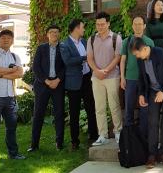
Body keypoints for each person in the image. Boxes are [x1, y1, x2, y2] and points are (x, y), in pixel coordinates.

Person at [131, 37, 163, 169]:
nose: (136, 56)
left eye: (137, 53)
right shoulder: (140, 60)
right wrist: (141, 94)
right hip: (153, 91)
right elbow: (141, 78)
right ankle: (152, 155)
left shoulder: (161, 53)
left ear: (144, 49)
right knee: (152, 122)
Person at [60, 19, 98, 149]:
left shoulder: (83, 41)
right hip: (74, 83)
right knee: (74, 112)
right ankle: (74, 141)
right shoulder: (64, 44)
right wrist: (85, 58)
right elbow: (68, 61)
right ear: (76, 28)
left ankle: (94, 135)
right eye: (82, 27)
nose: (84, 29)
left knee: (91, 108)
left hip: (87, 79)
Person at [87, 12, 123, 146]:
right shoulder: (91, 39)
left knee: (114, 106)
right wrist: (97, 71)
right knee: (99, 107)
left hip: (112, 76)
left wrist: (106, 70)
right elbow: (89, 59)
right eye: (98, 24)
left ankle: (118, 132)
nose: (100, 27)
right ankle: (102, 135)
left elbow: (117, 57)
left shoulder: (116, 38)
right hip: (96, 78)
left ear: (108, 23)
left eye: (102, 24)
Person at [29, 25, 65, 152]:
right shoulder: (41, 48)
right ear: (47, 34)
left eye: (56, 32)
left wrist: (57, 80)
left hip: (58, 85)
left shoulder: (63, 48)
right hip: (42, 85)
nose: (54, 34)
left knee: (59, 114)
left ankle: (59, 143)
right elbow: (36, 67)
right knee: (38, 114)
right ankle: (34, 145)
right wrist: (46, 81)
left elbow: (65, 67)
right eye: (52, 32)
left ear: (59, 34)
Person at [0, 30, 25, 164]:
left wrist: (3, 74)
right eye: (3, 38)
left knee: (12, 127)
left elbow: (20, 73)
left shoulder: (15, 56)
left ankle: (13, 153)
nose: (6, 40)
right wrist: (11, 70)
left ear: (12, 41)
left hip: (10, 97)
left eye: (9, 38)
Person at [120, 16, 153, 138]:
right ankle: (129, 137)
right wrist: (122, 78)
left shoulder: (149, 42)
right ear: (132, 26)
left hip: (145, 80)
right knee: (129, 108)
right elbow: (123, 60)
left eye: (140, 24)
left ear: (144, 26)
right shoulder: (127, 41)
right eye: (135, 24)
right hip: (130, 79)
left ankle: (143, 136)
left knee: (144, 109)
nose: (138, 26)